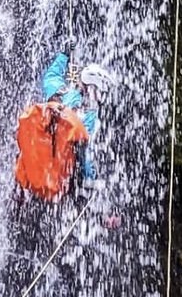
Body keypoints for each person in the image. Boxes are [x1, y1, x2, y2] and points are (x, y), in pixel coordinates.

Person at [15, 50, 112, 200]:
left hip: (32, 172)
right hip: (59, 183)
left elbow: (50, 76)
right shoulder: (89, 117)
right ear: (93, 89)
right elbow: (85, 152)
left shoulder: (60, 93)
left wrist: (64, 55)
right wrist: (91, 179)